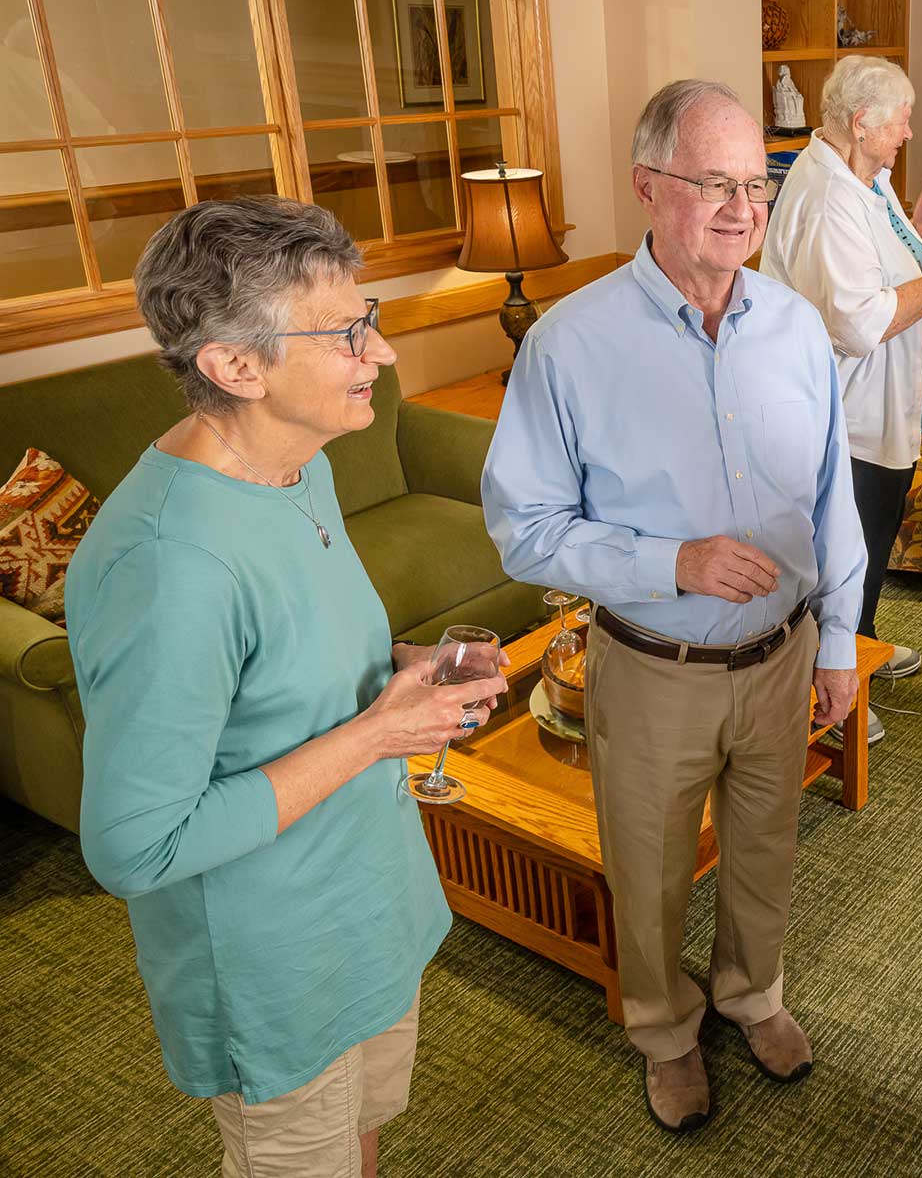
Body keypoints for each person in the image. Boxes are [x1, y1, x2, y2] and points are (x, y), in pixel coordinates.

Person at [68, 196, 507, 1177]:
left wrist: (402, 675)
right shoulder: (169, 565)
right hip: (276, 954)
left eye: (373, 317)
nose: (380, 355)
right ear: (235, 366)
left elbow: (287, 653)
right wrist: (376, 734)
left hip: (366, 893)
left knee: (361, 1142)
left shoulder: (299, 463)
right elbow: (135, 846)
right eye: (350, 332)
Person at [481, 80, 865, 1131]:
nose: (743, 207)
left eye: (758, 184)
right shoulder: (569, 343)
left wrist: (838, 641)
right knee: (646, 868)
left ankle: (752, 992)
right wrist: (670, 560)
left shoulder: (795, 328)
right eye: (715, 184)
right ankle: (662, 1027)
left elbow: (834, 497)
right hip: (654, 664)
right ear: (649, 186)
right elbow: (524, 525)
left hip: (783, 656)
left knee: (765, 842)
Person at [760, 54, 922, 724]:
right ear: (862, 122)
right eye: (902, 116)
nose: (909, 128)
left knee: (871, 542)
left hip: (882, 409)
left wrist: (915, 232)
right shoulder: (827, 193)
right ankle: (835, 689)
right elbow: (862, 321)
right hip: (847, 415)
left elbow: (873, 266)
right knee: (846, 553)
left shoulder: (868, 177)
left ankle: (857, 646)